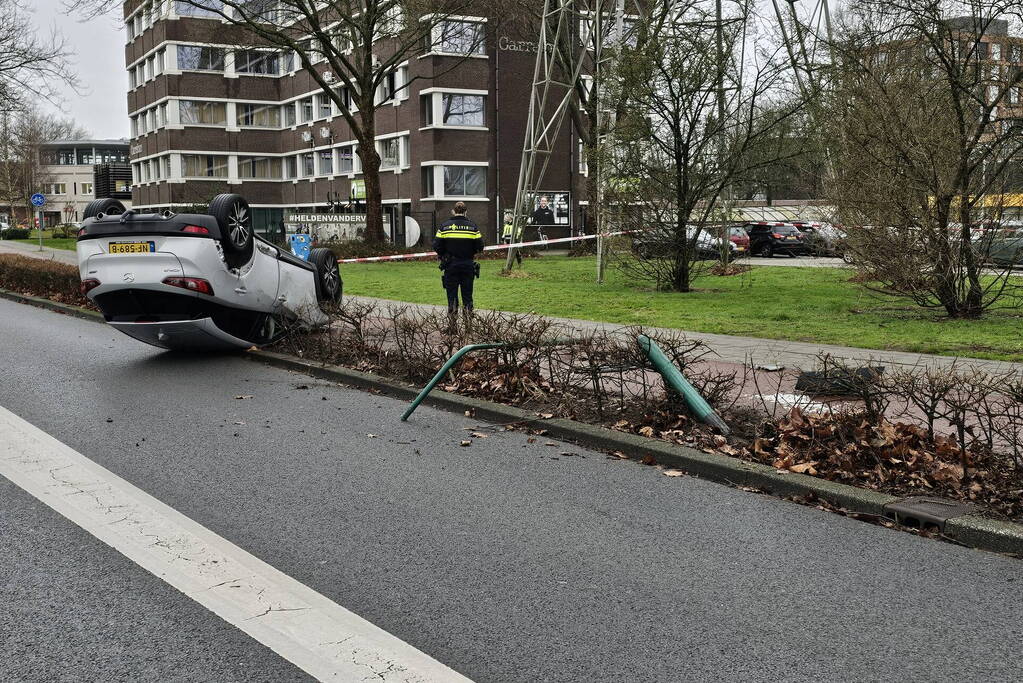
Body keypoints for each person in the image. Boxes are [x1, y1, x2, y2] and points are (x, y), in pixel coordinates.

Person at [433, 201, 484, 316]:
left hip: (451, 266)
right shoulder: (473, 227)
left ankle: (452, 328)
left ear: (453, 211)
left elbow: (436, 245)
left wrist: (445, 255)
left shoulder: (445, 226)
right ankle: (468, 328)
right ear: (466, 212)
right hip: (467, 265)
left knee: (452, 297)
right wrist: (470, 252)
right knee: (467, 297)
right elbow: (480, 247)